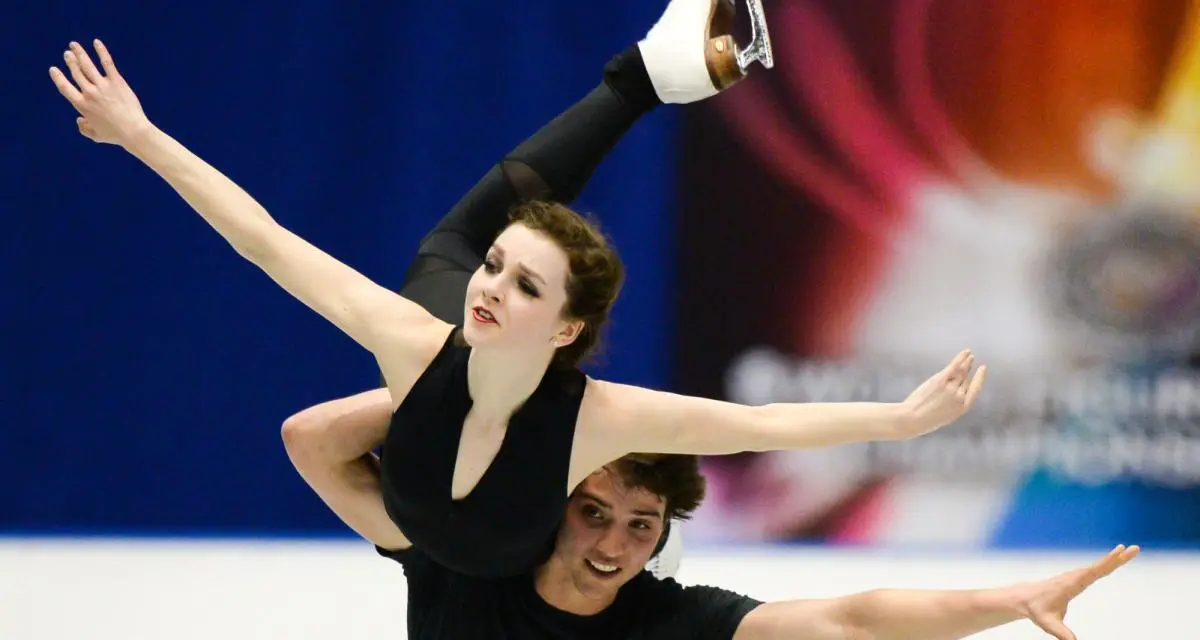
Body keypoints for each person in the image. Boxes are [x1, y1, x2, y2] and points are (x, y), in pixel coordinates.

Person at [48, 0, 987, 581]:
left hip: (491, 503)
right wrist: (139, 134)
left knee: (470, 240)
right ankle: (645, 75)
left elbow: (766, 427)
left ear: (569, 328)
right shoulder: (417, 339)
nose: (489, 290)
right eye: (498, 273)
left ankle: (648, 74)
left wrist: (901, 425)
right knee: (465, 239)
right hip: (437, 474)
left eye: (520, 286)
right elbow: (264, 241)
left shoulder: (599, 422)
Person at [282, 396, 1137, 640]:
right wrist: (485, 386)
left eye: (640, 526)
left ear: (661, 538)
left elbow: (852, 620)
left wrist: (1012, 599)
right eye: (594, 513)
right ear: (556, 507)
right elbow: (313, 441)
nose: (614, 544)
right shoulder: (462, 563)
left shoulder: (674, 620)